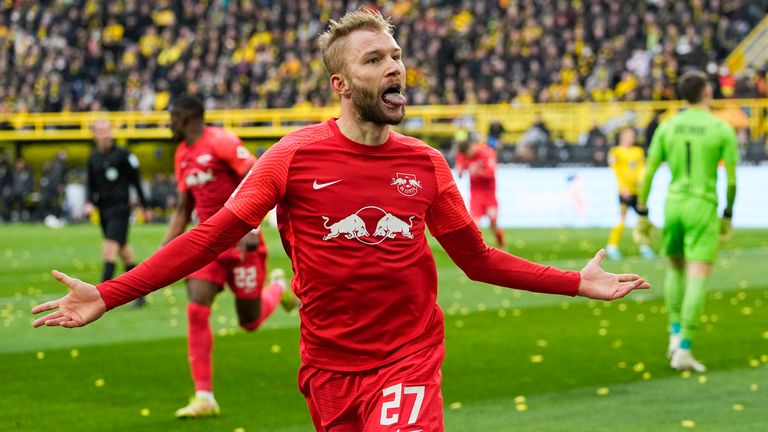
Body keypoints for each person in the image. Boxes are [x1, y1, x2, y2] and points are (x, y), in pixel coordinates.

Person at [33, 9, 650, 431]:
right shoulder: (291, 158)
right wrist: (110, 295)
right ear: (340, 82)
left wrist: (576, 281)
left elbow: (479, 261)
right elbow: (209, 236)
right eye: (374, 58)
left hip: (409, 358)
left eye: (396, 56)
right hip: (328, 368)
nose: (394, 67)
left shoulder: (428, 165)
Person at [160, 95, 296, 419]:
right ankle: (204, 396)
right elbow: (183, 209)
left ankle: (278, 290)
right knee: (196, 307)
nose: (169, 123)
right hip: (208, 244)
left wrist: (251, 225)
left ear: (188, 117)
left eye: (172, 117)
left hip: (242, 242)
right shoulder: (182, 154)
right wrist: (163, 254)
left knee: (248, 321)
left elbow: (258, 175)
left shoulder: (221, 141)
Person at [635, 70, 738, 373]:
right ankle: (685, 348)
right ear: (707, 92)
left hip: (674, 205)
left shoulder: (668, 126)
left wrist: (642, 213)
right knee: (697, 276)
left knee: (675, 270)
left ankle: (674, 334)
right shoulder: (721, 128)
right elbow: (731, 181)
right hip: (702, 206)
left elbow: (650, 171)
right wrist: (728, 214)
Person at [85, 119, 151, 307]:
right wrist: (89, 202)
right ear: (94, 134)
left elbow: (135, 182)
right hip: (103, 210)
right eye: (101, 130)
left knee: (109, 251)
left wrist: (145, 206)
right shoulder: (93, 158)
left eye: (107, 130)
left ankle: (98, 297)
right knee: (126, 254)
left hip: (120, 209)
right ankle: (141, 294)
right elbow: (90, 184)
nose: (105, 134)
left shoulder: (123, 155)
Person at [605, 125, 655, 260]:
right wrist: (622, 188)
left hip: (638, 191)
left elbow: (641, 168)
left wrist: (641, 181)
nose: (630, 138)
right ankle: (612, 246)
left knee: (643, 218)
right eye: (628, 135)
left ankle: (644, 246)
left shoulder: (638, 151)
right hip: (625, 191)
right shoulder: (615, 152)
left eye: (632, 136)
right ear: (622, 136)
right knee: (622, 218)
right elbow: (616, 171)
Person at [455, 134, 505, 248]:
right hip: (476, 194)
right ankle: (479, 249)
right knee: (475, 223)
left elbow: (491, 174)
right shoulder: (465, 154)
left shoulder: (487, 153)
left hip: (489, 194)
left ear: (471, 147)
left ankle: (502, 245)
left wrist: (477, 172)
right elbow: (460, 167)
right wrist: (461, 169)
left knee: (493, 223)